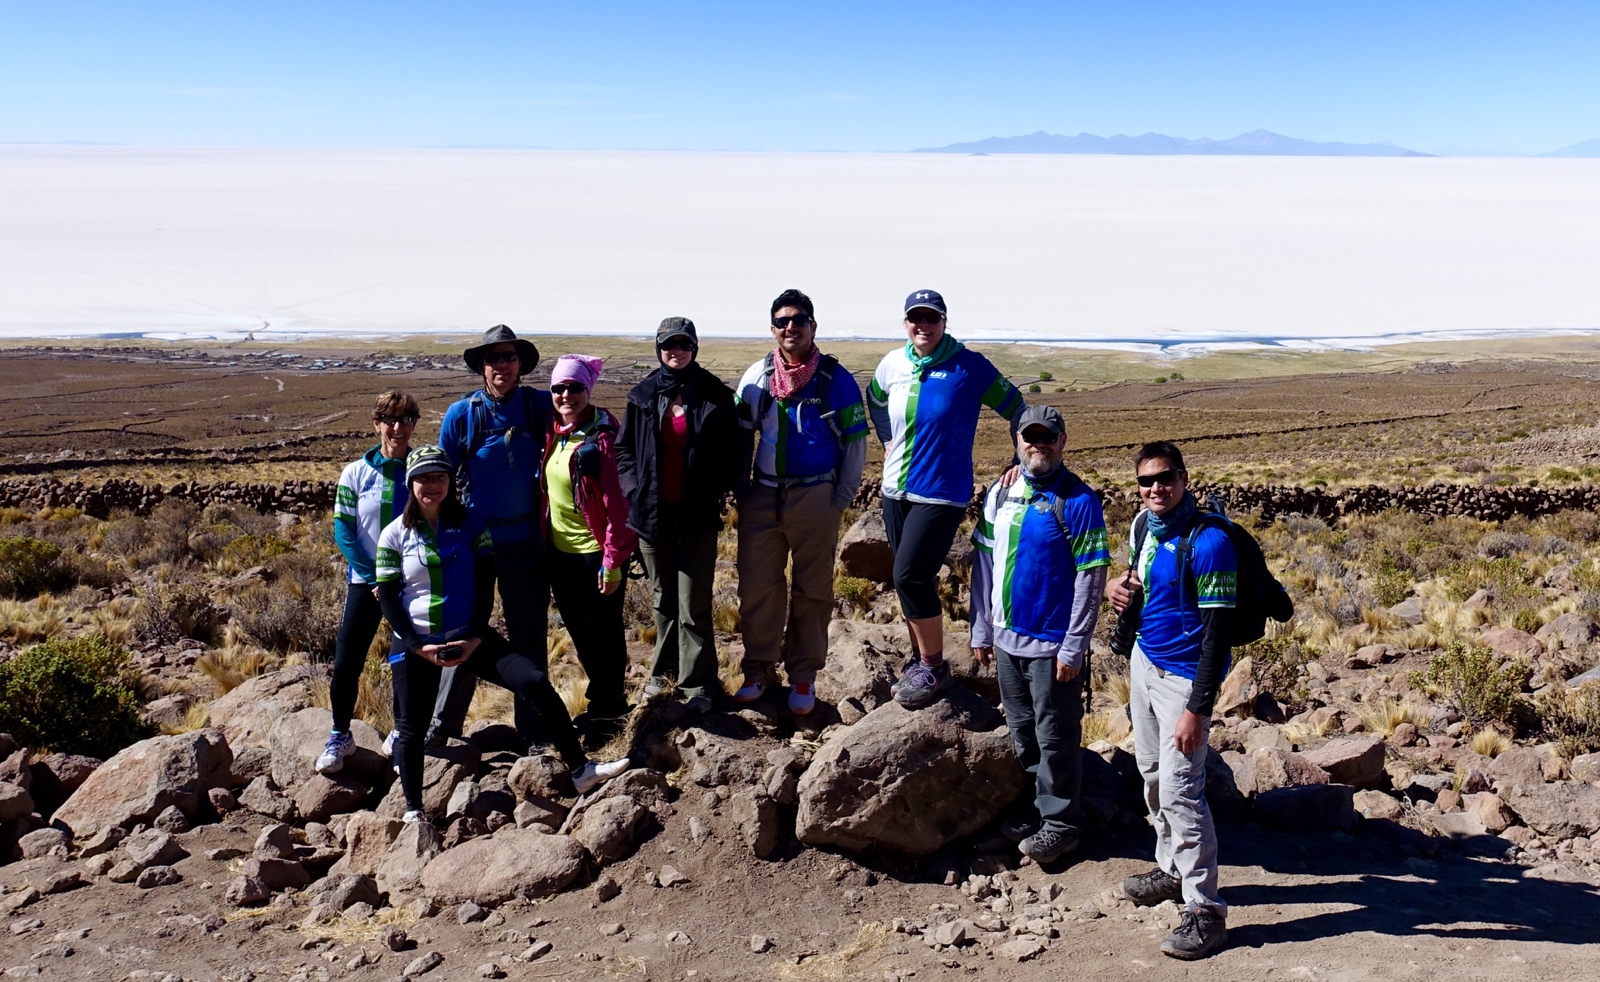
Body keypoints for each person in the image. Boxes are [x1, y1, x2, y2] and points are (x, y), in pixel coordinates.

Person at [374, 445, 629, 824]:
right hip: (417, 644)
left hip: (469, 634)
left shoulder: (472, 523)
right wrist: (417, 646)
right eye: (424, 478)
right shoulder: (393, 535)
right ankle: (413, 810)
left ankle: (580, 770)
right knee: (411, 727)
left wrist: (475, 636)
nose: (432, 485)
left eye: (440, 476)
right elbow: (390, 600)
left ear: (450, 482)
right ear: (410, 484)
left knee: (534, 680)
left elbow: (485, 579)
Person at [1104, 440, 1235, 960]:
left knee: (1183, 792)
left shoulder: (1209, 542)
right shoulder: (1144, 529)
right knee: (1152, 771)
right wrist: (1119, 588)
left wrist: (1197, 708)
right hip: (1145, 663)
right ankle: (1170, 868)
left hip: (1183, 679)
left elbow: (1218, 634)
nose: (1156, 488)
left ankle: (1205, 911)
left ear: (1185, 480)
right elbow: (1142, 586)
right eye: (1146, 481)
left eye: (1166, 478)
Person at [867, 289, 1025, 708]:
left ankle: (934, 667)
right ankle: (920, 659)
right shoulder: (893, 364)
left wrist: (1018, 460)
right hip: (894, 490)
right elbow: (875, 398)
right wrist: (886, 438)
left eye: (931, 318)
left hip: (940, 493)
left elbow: (1018, 409)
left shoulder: (969, 366)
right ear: (905, 323)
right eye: (915, 318)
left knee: (910, 576)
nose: (923, 326)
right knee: (907, 582)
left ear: (944, 321)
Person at [970, 406, 1109, 862]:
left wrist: (1075, 645)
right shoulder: (1001, 493)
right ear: (1017, 441)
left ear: (1063, 442)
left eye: (1047, 438)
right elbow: (985, 563)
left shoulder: (1079, 500)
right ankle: (1037, 809)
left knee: (1056, 735)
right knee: (1022, 731)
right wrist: (981, 629)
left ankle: (1063, 823)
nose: (1038, 445)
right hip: (1007, 639)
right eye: (1030, 437)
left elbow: (1091, 577)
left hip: (1052, 646)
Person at [731, 289, 868, 715]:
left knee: (813, 590)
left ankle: (804, 676)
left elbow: (856, 442)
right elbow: (740, 436)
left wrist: (840, 499)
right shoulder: (757, 377)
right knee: (757, 587)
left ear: (813, 326)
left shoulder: (834, 379)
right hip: (764, 494)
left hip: (816, 496)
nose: (791, 327)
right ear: (773, 329)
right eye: (783, 320)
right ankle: (758, 670)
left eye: (799, 319)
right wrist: (742, 489)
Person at [434, 325, 553, 745]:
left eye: (508, 356)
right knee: (464, 632)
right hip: (476, 548)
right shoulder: (462, 414)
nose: (501, 364)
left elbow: (587, 420)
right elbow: (439, 478)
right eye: (493, 357)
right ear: (482, 366)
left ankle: (536, 733)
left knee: (529, 637)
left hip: (526, 546)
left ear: (521, 363)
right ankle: (443, 728)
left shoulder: (541, 405)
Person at [616, 317, 741, 713]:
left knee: (693, 604)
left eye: (684, 344)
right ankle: (661, 675)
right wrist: (634, 490)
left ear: (694, 348)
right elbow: (624, 452)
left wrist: (713, 488)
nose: (677, 351)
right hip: (652, 516)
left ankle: (698, 683)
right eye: (669, 344)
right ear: (658, 348)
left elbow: (732, 451)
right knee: (663, 602)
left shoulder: (714, 395)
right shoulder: (643, 394)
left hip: (696, 517)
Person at [318, 390, 416, 773]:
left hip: (410, 583)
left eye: (405, 420)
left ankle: (400, 733)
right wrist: (375, 576)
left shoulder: (420, 468)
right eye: (389, 420)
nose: (397, 428)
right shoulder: (355, 473)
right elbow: (344, 530)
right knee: (347, 661)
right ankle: (340, 733)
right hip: (365, 581)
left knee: (403, 661)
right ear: (376, 424)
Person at [542, 354, 638, 743]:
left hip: (595, 554)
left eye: (575, 387)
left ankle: (610, 707)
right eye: (559, 388)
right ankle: (602, 701)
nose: (567, 395)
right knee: (580, 632)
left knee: (605, 633)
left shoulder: (602, 439)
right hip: (559, 554)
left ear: (588, 390)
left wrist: (613, 560)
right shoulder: (557, 433)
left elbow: (618, 504)